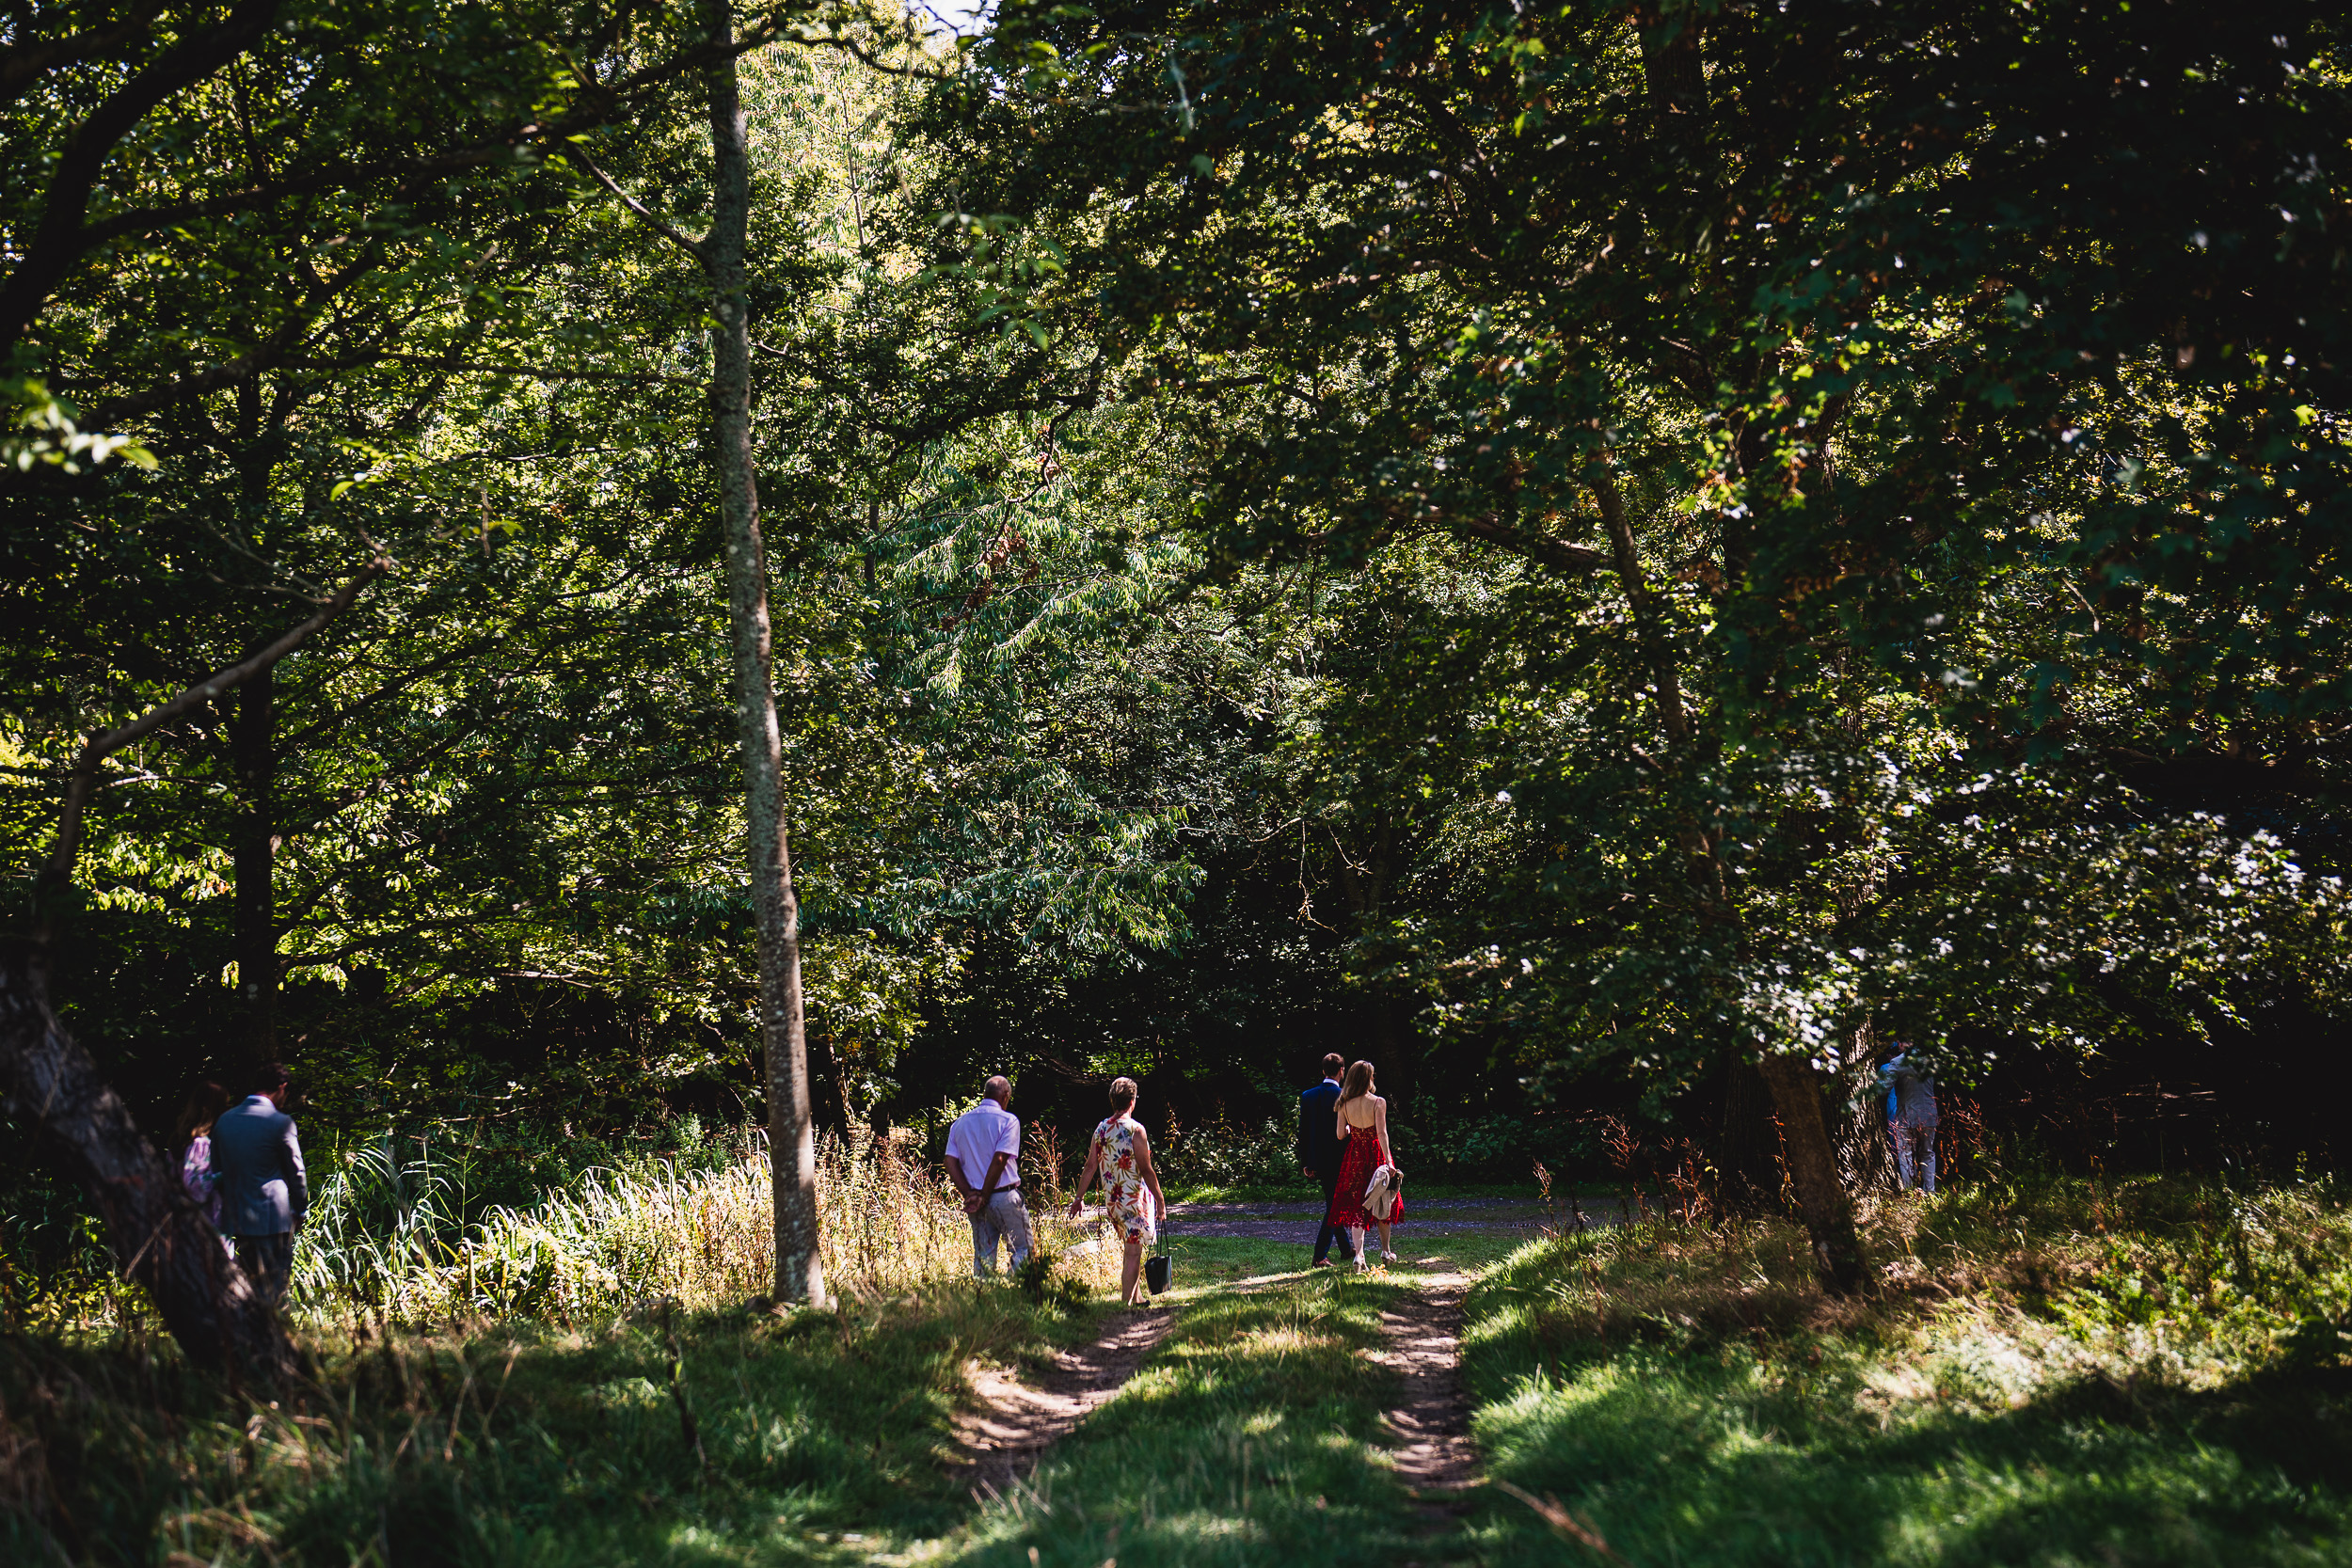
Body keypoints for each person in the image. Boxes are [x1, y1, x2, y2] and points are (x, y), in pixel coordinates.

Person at [211, 1063, 308, 1306]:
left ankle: (251, 1335)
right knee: (275, 1288)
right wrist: (300, 1209)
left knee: (250, 1286)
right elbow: (297, 1172)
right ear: (282, 1087)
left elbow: (216, 1171)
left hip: (240, 1219)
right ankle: (275, 1336)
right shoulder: (281, 1123)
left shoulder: (225, 1121)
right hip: (274, 1219)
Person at [1068, 1076, 1167, 1305]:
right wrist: (1160, 1200)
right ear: (1132, 1101)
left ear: (1113, 1101)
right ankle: (1126, 1305)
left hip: (1113, 1201)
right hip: (1133, 1200)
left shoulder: (1101, 1129)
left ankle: (1138, 1297)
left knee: (1132, 1247)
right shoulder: (1135, 1130)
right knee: (1133, 1253)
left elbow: (1090, 1166)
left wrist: (1079, 1197)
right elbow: (1147, 1170)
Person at [946, 1074, 1033, 1278]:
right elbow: (999, 1159)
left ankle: (983, 1299)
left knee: (983, 1255)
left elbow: (949, 1161)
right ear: (1005, 1096)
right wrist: (985, 1194)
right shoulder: (1008, 1121)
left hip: (975, 1199)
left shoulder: (960, 1123)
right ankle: (1016, 1295)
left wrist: (970, 1194)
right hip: (1003, 1196)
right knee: (1022, 1248)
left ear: (985, 1094)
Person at [1325, 1059, 1404, 1268]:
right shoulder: (1378, 1102)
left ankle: (1359, 1255)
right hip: (1376, 1154)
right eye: (1372, 1075)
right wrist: (1388, 1162)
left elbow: (1340, 1135)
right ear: (1367, 1078)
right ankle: (1386, 1252)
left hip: (1355, 1156)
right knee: (1382, 1200)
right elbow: (1382, 1133)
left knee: (1356, 1206)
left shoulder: (1343, 1103)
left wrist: (1352, 1130)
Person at [1296, 1052, 1358, 1267]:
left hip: (1318, 1161)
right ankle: (1319, 1256)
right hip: (1340, 1160)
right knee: (1334, 1206)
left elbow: (1304, 1132)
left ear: (1323, 1071)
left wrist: (1306, 1162)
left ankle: (1345, 1248)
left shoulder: (1308, 1096)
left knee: (1334, 1202)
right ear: (1342, 1071)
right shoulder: (1345, 1096)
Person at [173, 1079, 234, 1259]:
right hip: (206, 1226)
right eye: (225, 1105)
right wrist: (225, 1176)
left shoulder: (179, 1141)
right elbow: (196, 1188)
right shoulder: (201, 1144)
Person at [1877, 1045, 1940, 1194]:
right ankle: (1930, 1192)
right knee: (1928, 1153)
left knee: (1906, 1154)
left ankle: (1910, 1191)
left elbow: (1884, 1089)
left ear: (1901, 1044)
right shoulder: (1930, 1060)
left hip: (1906, 1115)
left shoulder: (1897, 1063)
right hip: (1929, 1114)